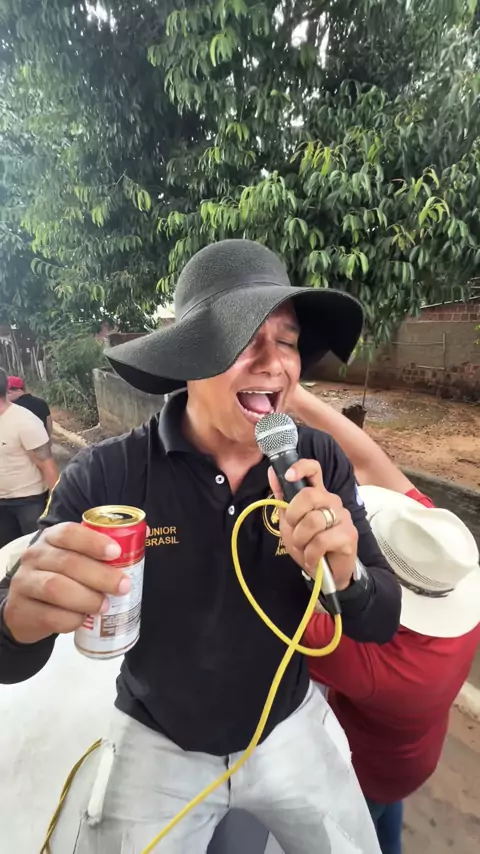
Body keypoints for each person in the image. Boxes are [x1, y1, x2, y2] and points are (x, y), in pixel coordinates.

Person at [0, 240, 401, 854]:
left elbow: (381, 620)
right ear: (188, 358)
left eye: (287, 341)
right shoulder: (110, 474)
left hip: (286, 726)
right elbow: (12, 658)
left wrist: (348, 578)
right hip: (159, 738)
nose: (274, 363)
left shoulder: (316, 461)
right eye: (245, 338)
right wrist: (15, 619)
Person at [290, 386, 480, 854]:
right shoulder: (435, 554)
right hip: (414, 758)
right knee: (387, 823)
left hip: (365, 771)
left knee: (353, 832)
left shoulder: (378, 658)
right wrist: (293, 396)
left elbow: (282, 620)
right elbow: (370, 460)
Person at [0, 368, 59, 549]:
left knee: (36, 551)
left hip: (28, 502)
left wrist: (56, 505)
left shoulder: (24, 421)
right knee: (8, 554)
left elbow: (47, 464)